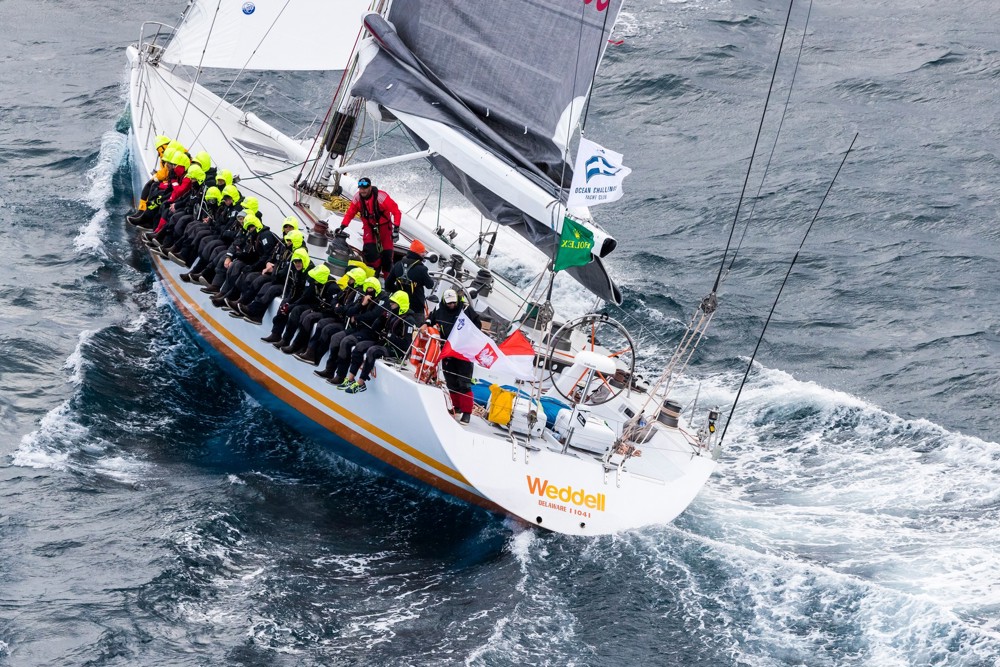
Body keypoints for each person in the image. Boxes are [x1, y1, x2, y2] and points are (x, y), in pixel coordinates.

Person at [342, 291, 418, 394]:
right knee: (359, 347)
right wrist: (381, 318)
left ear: (401, 304)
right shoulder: (392, 314)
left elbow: (406, 344)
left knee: (372, 351)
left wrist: (390, 336)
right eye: (390, 302)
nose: (390, 304)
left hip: (396, 350)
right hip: (385, 343)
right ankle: (350, 379)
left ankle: (361, 383)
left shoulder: (409, 321)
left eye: (393, 303)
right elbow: (375, 328)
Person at [424, 288, 482, 425]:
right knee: (450, 380)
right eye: (449, 303)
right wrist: (425, 324)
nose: (451, 305)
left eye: (454, 303)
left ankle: (467, 413)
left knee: (464, 383)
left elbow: (477, 325)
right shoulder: (439, 309)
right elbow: (430, 320)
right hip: (448, 350)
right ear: (444, 301)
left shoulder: (466, 309)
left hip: (463, 351)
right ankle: (457, 407)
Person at [338, 176, 401, 278]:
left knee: (387, 255)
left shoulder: (382, 197)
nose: (362, 191)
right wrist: (343, 226)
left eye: (365, 188)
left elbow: (396, 212)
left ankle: (388, 280)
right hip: (369, 228)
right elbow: (350, 213)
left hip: (385, 228)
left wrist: (396, 229)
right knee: (370, 252)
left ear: (370, 187)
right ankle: (373, 273)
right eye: (360, 188)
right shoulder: (357, 198)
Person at [385, 239, 434, 317]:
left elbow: (387, 284)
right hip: (416, 308)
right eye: (423, 252)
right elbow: (430, 285)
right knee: (414, 327)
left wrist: (398, 292)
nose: (424, 254)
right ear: (419, 253)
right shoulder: (422, 269)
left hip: (399, 305)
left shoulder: (398, 265)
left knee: (394, 326)